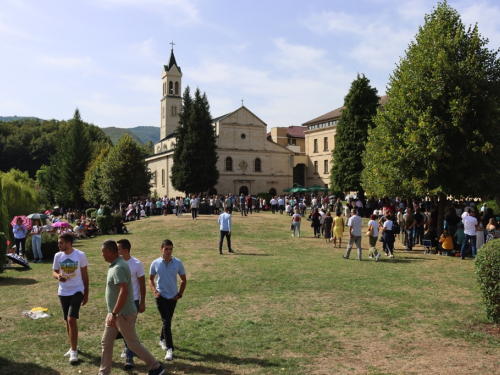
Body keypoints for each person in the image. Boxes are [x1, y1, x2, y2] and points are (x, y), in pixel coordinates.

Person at [99, 240, 164, 375]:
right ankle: (103, 372)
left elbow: (124, 291)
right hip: (115, 314)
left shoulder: (118, 268)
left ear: (108, 252)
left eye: (102, 252)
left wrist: (115, 313)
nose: (102, 255)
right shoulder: (117, 264)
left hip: (123, 315)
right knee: (106, 342)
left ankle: (156, 367)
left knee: (133, 344)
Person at [52, 233, 89, 364]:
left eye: (61, 243)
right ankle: (73, 346)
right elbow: (54, 271)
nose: (58, 245)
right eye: (58, 243)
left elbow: (85, 276)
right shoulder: (58, 256)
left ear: (68, 243)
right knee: (67, 321)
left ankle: (73, 352)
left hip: (77, 290)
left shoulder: (80, 255)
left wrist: (86, 293)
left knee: (71, 319)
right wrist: (58, 277)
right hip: (63, 292)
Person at [149, 240, 187, 361]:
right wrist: (155, 292)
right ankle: (170, 349)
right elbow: (150, 279)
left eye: (170, 249)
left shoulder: (178, 262)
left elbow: (183, 280)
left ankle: (162, 339)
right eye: (166, 249)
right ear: (161, 249)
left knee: (168, 320)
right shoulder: (155, 263)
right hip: (161, 297)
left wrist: (179, 294)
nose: (168, 251)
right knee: (166, 321)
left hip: (173, 297)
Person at [117, 239, 146, 370]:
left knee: (128, 329)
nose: (115, 251)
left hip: (133, 301)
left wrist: (142, 302)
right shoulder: (117, 263)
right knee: (124, 329)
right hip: (120, 301)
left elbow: (142, 284)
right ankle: (131, 348)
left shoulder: (136, 264)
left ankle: (129, 357)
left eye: (118, 249)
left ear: (125, 250)